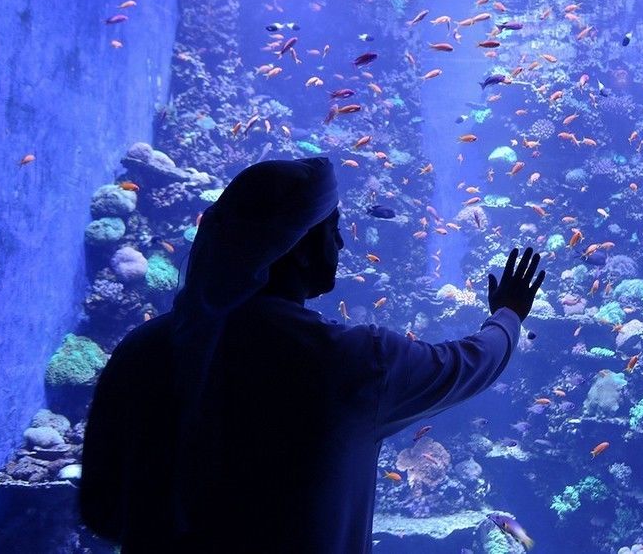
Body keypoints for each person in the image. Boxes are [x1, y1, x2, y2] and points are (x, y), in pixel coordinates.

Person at [79, 156, 545, 553]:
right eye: (333, 228)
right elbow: (469, 364)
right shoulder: (354, 361)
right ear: (296, 246)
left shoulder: (143, 350)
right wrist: (508, 314)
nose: (341, 243)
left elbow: (101, 513)